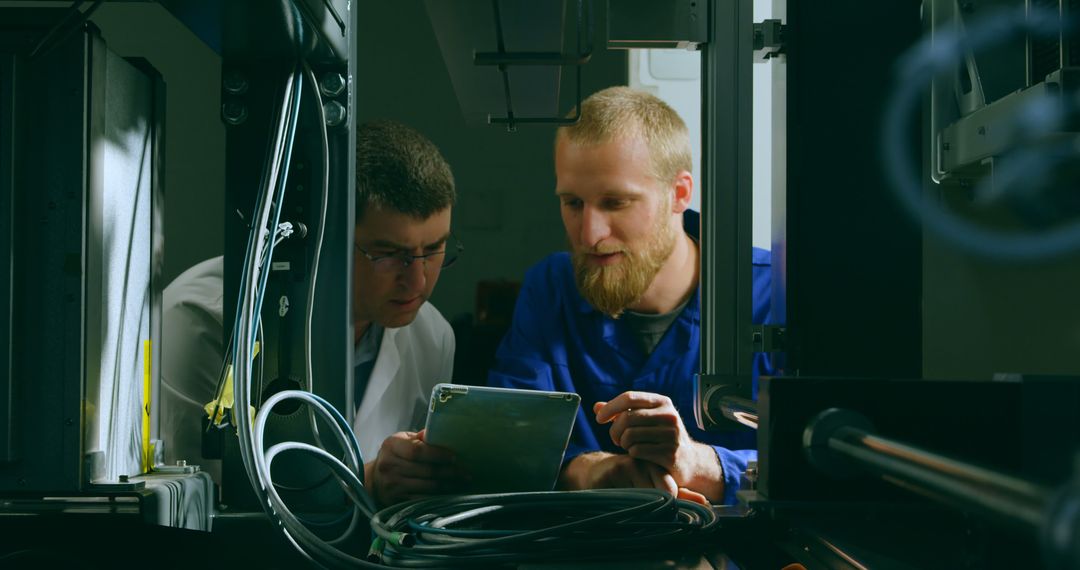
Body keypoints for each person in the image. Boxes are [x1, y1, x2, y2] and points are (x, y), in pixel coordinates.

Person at [487, 87, 772, 505]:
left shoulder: (772, 295)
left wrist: (702, 464)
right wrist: (589, 470)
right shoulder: (550, 287)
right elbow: (506, 444)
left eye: (616, 203)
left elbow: (820, 462)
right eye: (572, 203)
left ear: (679, 194)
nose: (589, 235)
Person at [160, 120, 464, 507]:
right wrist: (362, 486)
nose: (417, 281)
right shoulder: (199, 320)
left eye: (434, 248)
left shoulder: (432, 337)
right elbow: (198, 508)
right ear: (327, 234)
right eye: (389, 254)